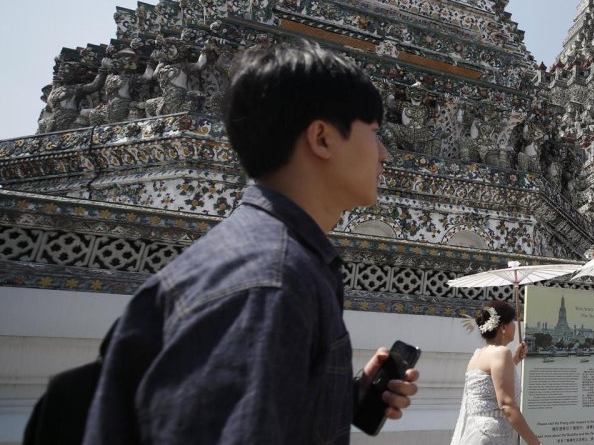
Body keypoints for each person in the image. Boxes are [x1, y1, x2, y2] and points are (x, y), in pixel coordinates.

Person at [83, 42, 418, 444]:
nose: (384, 154)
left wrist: (341, 396)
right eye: (375, 133)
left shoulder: (264, 261)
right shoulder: (272, 284)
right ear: (322, 138)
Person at [450, 301, 539, 445]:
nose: (515, 325)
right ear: (503, 327)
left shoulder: (478, 354)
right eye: (512, 321)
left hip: (475, 432)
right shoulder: (501, 353)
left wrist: (514, 360)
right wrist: (536, 443)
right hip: (493, 435)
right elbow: (507, 405)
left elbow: (493, 380)